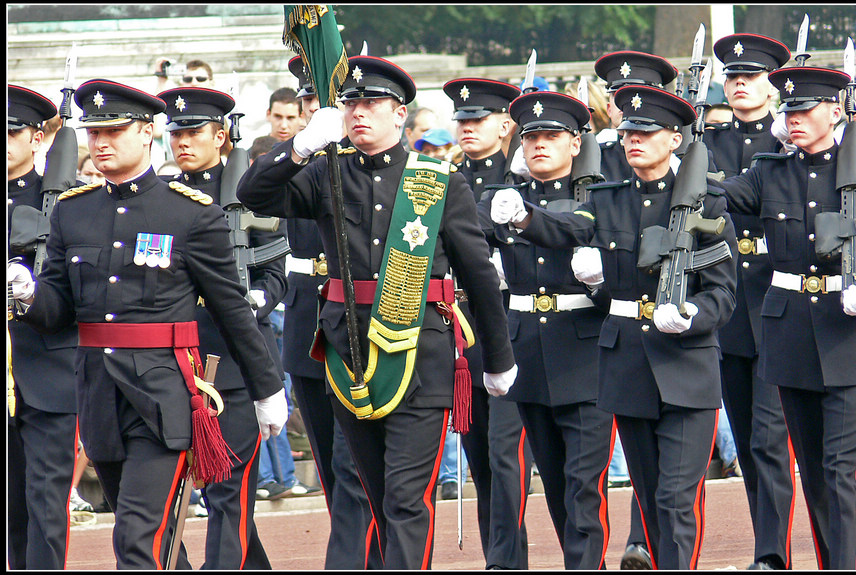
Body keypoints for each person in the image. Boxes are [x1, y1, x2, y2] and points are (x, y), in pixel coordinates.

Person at [237, 55, 517, 569]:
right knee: (372, 492)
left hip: (421, 351)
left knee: (407, 501)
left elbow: (477, 274)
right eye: (352, 103)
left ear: (399, 114)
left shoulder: (437, 181)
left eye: (372, 103)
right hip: (348, 355)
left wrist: (497, 358)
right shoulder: (326, 173)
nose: (359, 112)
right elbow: (252, 193)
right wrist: (298, 147)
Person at [8, 79, 288, 569]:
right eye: (94, 133)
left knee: (137, 539)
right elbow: (58, 313)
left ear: (146, 133)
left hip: (161, 398)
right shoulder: (73, 212)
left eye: (114, 131)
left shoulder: (189, 215)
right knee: (147, 537)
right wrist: (28, 293)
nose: (101, 143)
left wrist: (267, 390)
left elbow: (230, 309)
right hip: (99, 397)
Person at [504, 84, 739, 569]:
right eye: (628, 130)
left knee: (676, 497)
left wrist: (694, 315)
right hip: (628, 364)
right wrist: (525, 218)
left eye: (646, 132)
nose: (633, 140)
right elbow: (567, 228)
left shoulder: (707, 205)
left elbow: (722, 292)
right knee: (651, 495)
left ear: (675, 139)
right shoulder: (608, 199)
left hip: (687, 366)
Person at [708, 66, 856, 570]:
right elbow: (717, 196)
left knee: (841, 468)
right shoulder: (770, 171)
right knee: (814, 469)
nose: (793, 118)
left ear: (835, 112)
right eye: (788, 109)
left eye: (805, 108)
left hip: (847, 329)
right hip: (789, 330)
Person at [156, 85, 292, 567]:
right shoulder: (161, 198)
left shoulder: (249, 195)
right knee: (174, 496)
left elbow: (276, 272)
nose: (183, 143)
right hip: (174, 362)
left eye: (194, 133)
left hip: (234, 363)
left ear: (221, 136)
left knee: (229, 492)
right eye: (177, 134)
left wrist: (255, 298)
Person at [482, 90, 615, 570]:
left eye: (552, 135)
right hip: (524, 354)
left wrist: (521, 218)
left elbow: (570, 229)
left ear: (576, 143)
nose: (540, 144)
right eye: (531, 136)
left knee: (584, 483)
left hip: (583, 354)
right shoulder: (500, 198)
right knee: (556, 485)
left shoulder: (600, 198)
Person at [278, 55, 381, 569]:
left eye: (328, 104)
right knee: (328, 458)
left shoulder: (367, 166)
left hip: (359, 323)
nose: (319, 113)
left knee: (354, 463)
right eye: (310, 105)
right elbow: (260, 193)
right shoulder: (295, 162)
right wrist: (299, 149)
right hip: (306, 318)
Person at [704, 32, 798, 571]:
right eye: (733, 77)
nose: (740, 84)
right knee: (746, 439)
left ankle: (772, 552)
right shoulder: (706, 142)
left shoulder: (788, 139)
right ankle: (770, 545)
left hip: (778, 302)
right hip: (729, 309)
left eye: (751, 77)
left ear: (771, 85)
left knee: (768, 439)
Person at [591, 51, 680, 570]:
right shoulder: (603, 160)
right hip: (619, 326)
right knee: (643, 468)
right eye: (617, 95)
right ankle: (640, 539)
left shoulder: (687, 167)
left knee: (675, 484)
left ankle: (652, 543)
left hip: (680, 324)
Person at [442, 76, 534, 569]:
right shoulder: (441, 181)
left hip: (507, 330)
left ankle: (503, 561)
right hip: (460, 329)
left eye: (477, 120)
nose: (467, 128)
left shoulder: (521, 180)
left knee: (506, 455)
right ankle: (500, 557)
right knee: (480, 460)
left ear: (505, 125)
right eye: (461, 120)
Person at [6, 84, 80, 570]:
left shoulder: (67, 203)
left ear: (37, 138)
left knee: (44, 506)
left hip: (44, 369)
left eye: (12, 132)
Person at [594, 51, 679, 186]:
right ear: (609, 109)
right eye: (619, 96)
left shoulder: (681, 162)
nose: (630, 104)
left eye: (639, 96)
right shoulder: (593, 159)